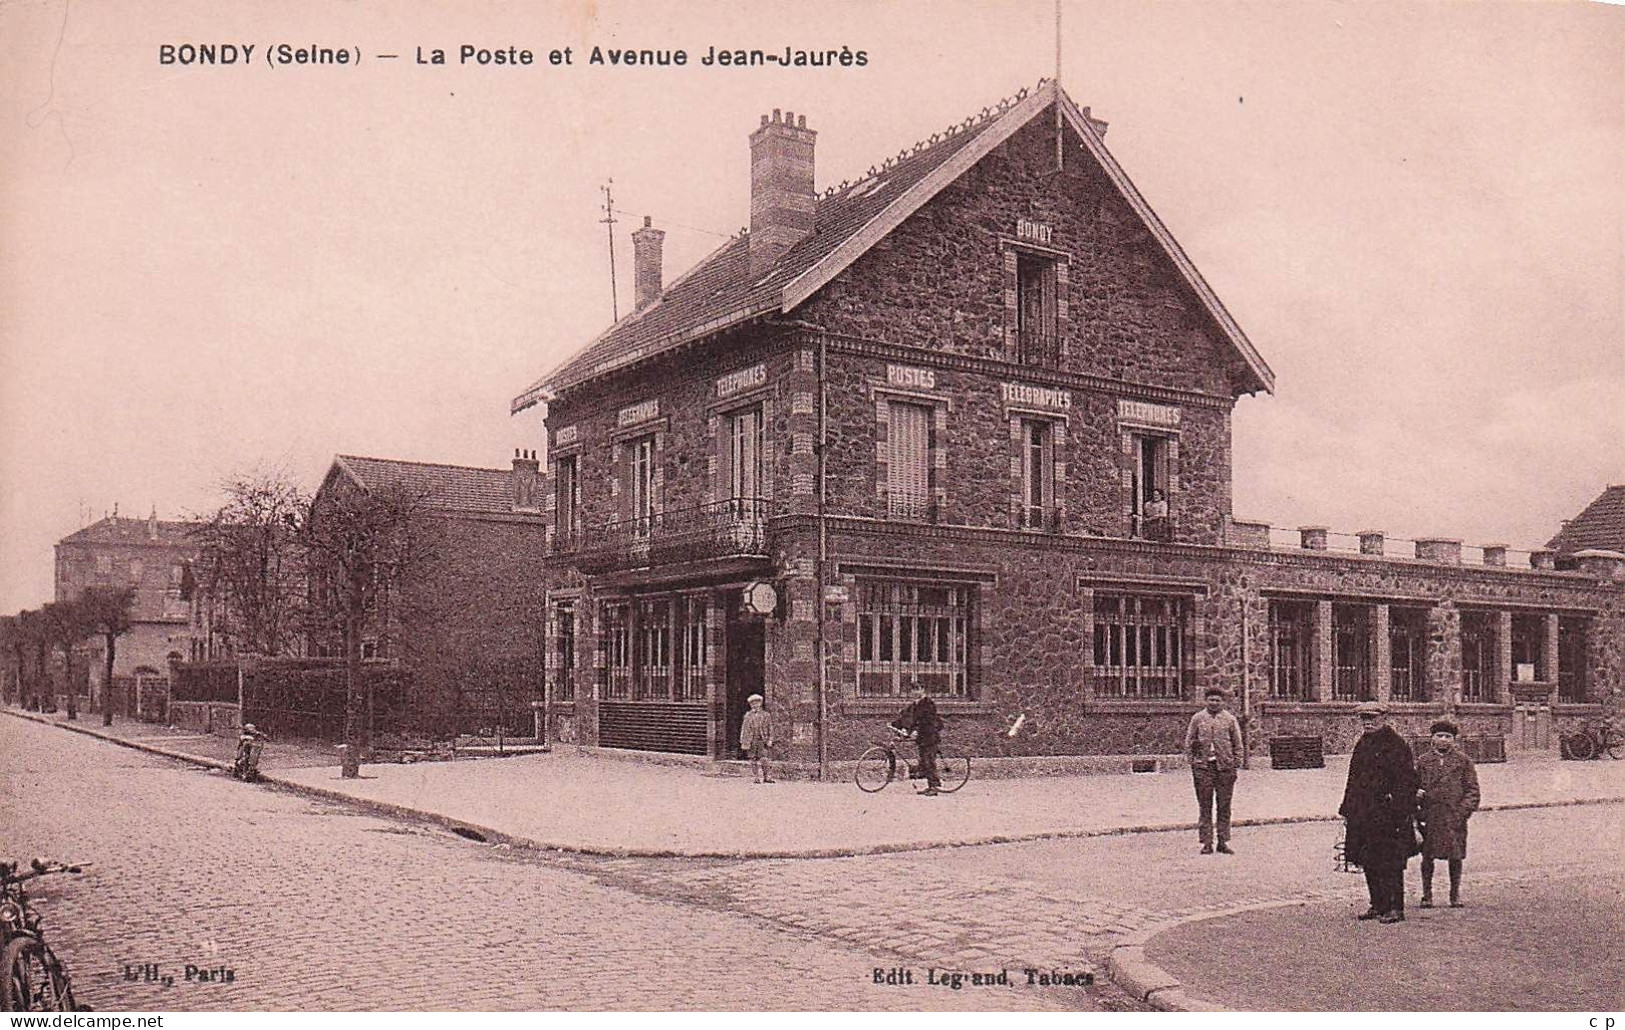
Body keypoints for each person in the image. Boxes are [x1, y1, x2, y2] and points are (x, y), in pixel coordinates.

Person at [1339, 702, 1420, 924]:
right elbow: (1353, 779)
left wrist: (1399, 810)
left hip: (1388, 816)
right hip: (1363, 813)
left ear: (1384, 718)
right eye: (1364, 718)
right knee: (1367, 859)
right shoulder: (1362, 744)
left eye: (1372, 718)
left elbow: (1407, 781)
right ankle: (1377, 904)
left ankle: (1395, 907)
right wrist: (1348, 809)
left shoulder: (1396, 745)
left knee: (1391, 862)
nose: (1367, 722)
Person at [1415, 719, 1480, 908]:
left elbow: (1473, 791)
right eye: (1439, 736)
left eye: (1447, 737)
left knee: (1455, 856)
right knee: (1428, 857)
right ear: (1432, 738)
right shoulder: (1423, 761)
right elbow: (1413, 785)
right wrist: (1416, 795)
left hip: (1454, 817)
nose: (1443, 740)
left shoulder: (1463, 761)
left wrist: (1461, 813)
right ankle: (1427, 895)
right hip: (1430, 816)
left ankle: (1454, 894)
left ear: (1454, 740)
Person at [1185, 687, 1244, 854]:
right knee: (1205, 805)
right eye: (1211, 700)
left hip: (1225, 768)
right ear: (1206, 701)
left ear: (1222, 702)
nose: (1214, 703)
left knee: (1224, 805)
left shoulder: (1230, 720)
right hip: (1203, 768)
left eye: (1217, 700)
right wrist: (1193, 763)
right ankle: (1207, 842)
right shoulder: (1198, 718)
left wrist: (1235, 764)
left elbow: (1238, 744)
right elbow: (1189, 741)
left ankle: (1223, 841)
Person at [891, 685, 944, 796]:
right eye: (912, 690)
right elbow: (906, 717)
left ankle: (934, 787)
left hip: (930, 735)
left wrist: (915, 730)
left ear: (923, 690)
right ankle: (931, 782)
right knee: (924, 760)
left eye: (917, 689)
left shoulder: (928, 703)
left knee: (928, 761)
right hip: (922, 737)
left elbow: (926, 720)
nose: (914, 692)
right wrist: (894, 725)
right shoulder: (915, 704)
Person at [738, 694, 774, 784]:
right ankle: (756, 777)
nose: (755, 705)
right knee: (752, 759)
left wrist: (770, 739)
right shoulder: (748, 716)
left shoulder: (766, 715)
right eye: (753, 703)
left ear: (760, 703)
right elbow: (744, 729)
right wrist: (743, 741)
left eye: (757, 703)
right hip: (751, 740)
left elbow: (770, 728)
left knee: (765, 759)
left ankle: (767, 777)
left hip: (762, 740)